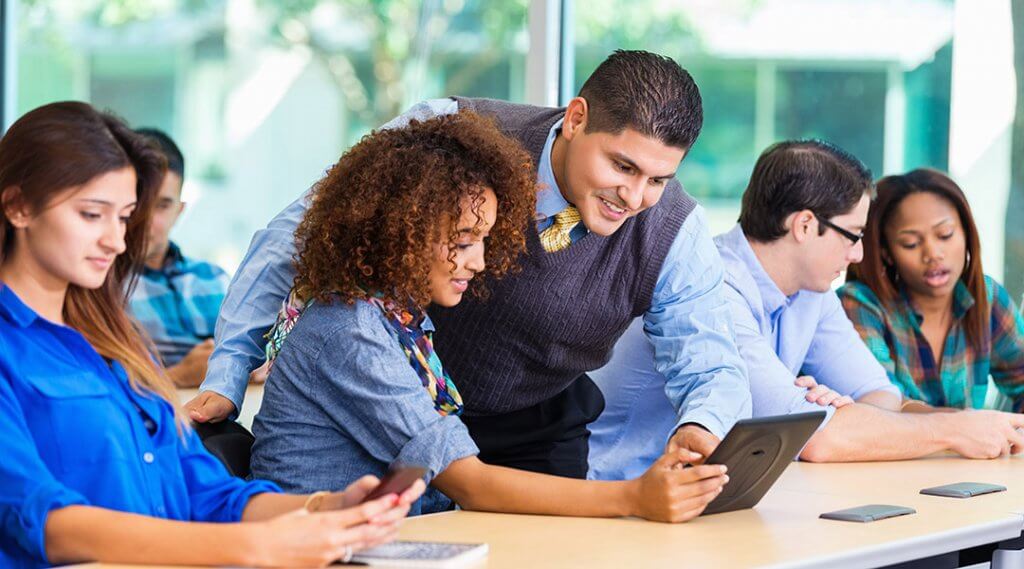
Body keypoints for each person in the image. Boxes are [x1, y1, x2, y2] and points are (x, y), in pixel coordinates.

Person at [189, 50, 751, 478]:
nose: (634, 198)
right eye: (622, 166)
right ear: (577, 119)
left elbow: (712, 366)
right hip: (392, 407)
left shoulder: (676, 231)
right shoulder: (455, 135)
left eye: (658, 179)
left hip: (536, 427)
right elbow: (299, 233)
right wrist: (229, 373)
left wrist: (703, 427)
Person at [250, 111, 729, 523]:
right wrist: (633, 497)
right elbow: (469, 484)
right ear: (398, 232)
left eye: (482, 240)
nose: (478, 262)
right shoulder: (350, 333)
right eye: (461, 242)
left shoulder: (400, 323)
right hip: (315, 551)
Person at [0, 102, 422, 569]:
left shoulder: (116, 347)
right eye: (91, 215)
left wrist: (326, 510)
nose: (116, 242)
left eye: (122, 219)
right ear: (18, 206)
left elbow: (208, 493)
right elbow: (37, 517)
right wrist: (258, 549)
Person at [588, 141, 1024, 480]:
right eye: (853, 236)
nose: (857, 256)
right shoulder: (711, 286)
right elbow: (817, 440)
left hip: (716, 496)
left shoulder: (812, 292)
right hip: (622, 495)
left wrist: (843, 411)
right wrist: (954, 429)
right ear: (804, 225)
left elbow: (881, 396)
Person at [840, 168, 1024, 412]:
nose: (933, 254)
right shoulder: (860, 304)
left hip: (974, 450)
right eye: (911, 243)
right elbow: (879, 407)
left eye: (945, 235)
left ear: (967, 234)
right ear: (887, 253)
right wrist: (971, 427)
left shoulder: (987, 298)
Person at [127, 128, 228, 387]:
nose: (147, 221)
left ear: (180, 210)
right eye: (137, 203)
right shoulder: (101, 288)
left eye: (162, 205)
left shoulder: (215, 279)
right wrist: (181, 375)